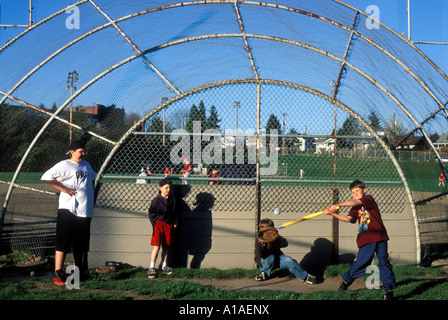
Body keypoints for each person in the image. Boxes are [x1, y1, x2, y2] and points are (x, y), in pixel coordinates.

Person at [324, 179, 397, 300]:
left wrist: (337, 205)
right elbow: (349, 219)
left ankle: (389, 290)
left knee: (384, 263)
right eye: (353, 192)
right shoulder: (355, 207)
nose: (355, 193)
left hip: (380, 236)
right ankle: (346, 281)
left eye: (357, 190)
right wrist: (332, 214)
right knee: (361, 263)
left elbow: (354, 202)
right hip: (366, 239)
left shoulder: (368, 199)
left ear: (364, 190)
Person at [41, 140, 96, 285]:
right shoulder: (64, 165)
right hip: (69, 209)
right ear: (72, 152)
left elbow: (93, 179)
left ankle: (79, 271)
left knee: (81, 244)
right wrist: (64, 189)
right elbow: (46, 176)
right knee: (63, 241)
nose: (83, 154)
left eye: (84, 151)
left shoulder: (86, 165)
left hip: (84, 211)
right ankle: (58, 272)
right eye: (80, 151)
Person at [254, 218, 317, 285]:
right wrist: (261, 264)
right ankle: (263, 274)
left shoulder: (275, 236)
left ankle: (304, 277)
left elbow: (285, 244)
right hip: (265, 262)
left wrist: (277, 238)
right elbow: (258, 254)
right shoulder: (259, 239)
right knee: (271, 257)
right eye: (262, 227)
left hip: (277, 260)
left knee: (289, 260)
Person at [147, 178, 178, 278]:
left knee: (166, 247)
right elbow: (150, 213)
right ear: (160, 188)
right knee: (156, 246)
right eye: (166, 188)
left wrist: (175, 223)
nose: (168, 190)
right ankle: (152, 267)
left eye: (170, 188)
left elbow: (175, 213)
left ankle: (164, 266)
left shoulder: (173, 200)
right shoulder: (156, 201)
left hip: (168, 225)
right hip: (158, 225)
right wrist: (154, 225)